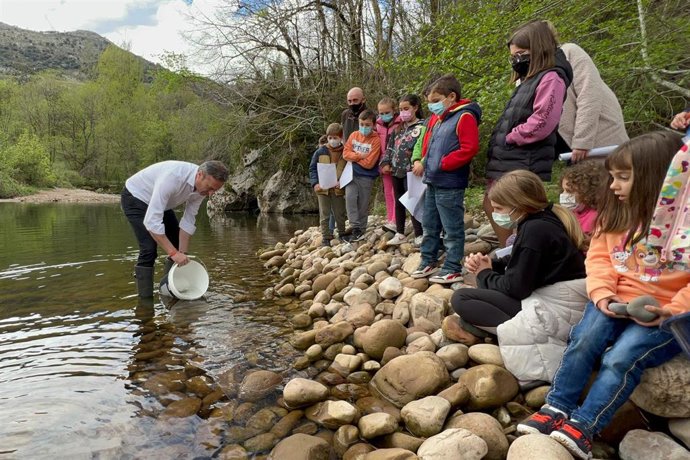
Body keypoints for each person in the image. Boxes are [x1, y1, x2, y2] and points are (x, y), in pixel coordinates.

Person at [516, 131, 687, 460]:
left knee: (621, 357)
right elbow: (598, 260)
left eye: (623, 177)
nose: (613, 186)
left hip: (663, 313)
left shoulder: (683, 229)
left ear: (659, 178)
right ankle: (558, 405)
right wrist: (604, 296)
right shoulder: (616, 216)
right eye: (613, 177)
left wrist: (673, 309)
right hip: (615, 298)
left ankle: (585, 425)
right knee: (584, 339)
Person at [446, 170, 586, 345]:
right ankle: (488, 326)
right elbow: (525, 261)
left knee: (461, 298)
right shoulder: (545, 217)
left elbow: (517, 288)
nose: (496, 214)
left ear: (519, 204)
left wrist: (484, 273)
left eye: (499, 208)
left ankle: (522, 332)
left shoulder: (534, 230)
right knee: (483, 292)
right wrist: (492, 264)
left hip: (556, 308)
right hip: (559, 300)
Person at [485, 20, 573, 247]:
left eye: (522, 53)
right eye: (514, 55)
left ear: (539, 48)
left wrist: (512, 137)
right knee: (495, 205)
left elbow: (543, 121)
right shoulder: (528, 80)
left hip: (524, 158)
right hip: (509, 157)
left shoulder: (551, 77)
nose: (517, 60)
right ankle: (513, 251)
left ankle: (522, 252)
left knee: (519, 211)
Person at [121, 160, 229, 298]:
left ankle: (168, 289)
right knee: (149, 249)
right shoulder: (172, 178)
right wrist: (173, 254)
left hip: (162, 203)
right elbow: (152, 222)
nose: (210, 194)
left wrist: (182, 253)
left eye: (215, 190)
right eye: (210, 188)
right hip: (136, 197)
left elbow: (189, 220)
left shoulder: (202, 189)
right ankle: (145, 302)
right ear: (199, 175)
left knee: (178, 247)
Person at [410, 74, 481, 284]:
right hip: (433, 180)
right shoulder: (441, 119)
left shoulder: (464, 116)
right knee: (429, 224)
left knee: (451, 227)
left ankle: (452, 266)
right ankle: (428, 259)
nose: (432, 106)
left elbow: (469, 148)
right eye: (429, 102)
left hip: (450, 182)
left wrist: (444, 163)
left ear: (451, 97)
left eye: (435, 101)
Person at [557, 42, 629, 162]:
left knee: (616, 175)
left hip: (601, 142)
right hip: (570, 149)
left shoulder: (569, 52)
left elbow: (589, 97)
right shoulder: (528, 72)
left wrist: (582, 141)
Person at [380, 94, 425, 246]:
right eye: (400, 109)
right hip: (395, 169)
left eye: (406, 109)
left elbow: (424, 148)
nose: (403, 112)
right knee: (399, 201)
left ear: (415, 108)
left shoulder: (423, 127)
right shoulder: (398, 129)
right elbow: (390, 148)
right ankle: (400, 232)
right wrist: (385, 162)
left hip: (411, 171)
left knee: (413, 200)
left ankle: (420, 233)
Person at [342, 109, 381, 242]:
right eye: (362, 124)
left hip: (366, 176)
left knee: (363, 204)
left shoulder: (376, 140)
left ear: (373, 125)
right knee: (350, 200)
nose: (364, 127)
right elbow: (345, 154)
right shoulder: (353, 135)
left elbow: (370, 163)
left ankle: (362, 229)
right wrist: (359, 156)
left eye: (367, 124)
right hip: (351, 174)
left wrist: (355, 158)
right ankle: (354, 227)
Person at [309, 123, 347, 247]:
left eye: (335, 138)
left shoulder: (345, 152)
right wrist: (315, 183)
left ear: (341, 137)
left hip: (338, 188)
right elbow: (312, 169)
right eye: (330, 137)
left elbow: (349, 169)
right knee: (324, 214)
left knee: (340, 212)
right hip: (323, 188)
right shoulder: (320, 152)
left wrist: (343, 182)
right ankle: (326, 237)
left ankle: (342, 233)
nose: (332, 140)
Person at [560, 159, 607, 246]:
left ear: (587, 192)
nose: (563, 195)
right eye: (563, 190)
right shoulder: (573, 212)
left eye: (569, 191)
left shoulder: (597, 217)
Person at [376, 97, 401, 232]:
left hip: (396, 163)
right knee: (387, 192)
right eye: (381, 113)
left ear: (394, 110)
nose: (384, 115)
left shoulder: (400, 123)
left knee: (395, 192)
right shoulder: (377, 125)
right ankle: (390, 218)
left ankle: (397, 219)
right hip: (383, 163)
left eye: (387, 112)